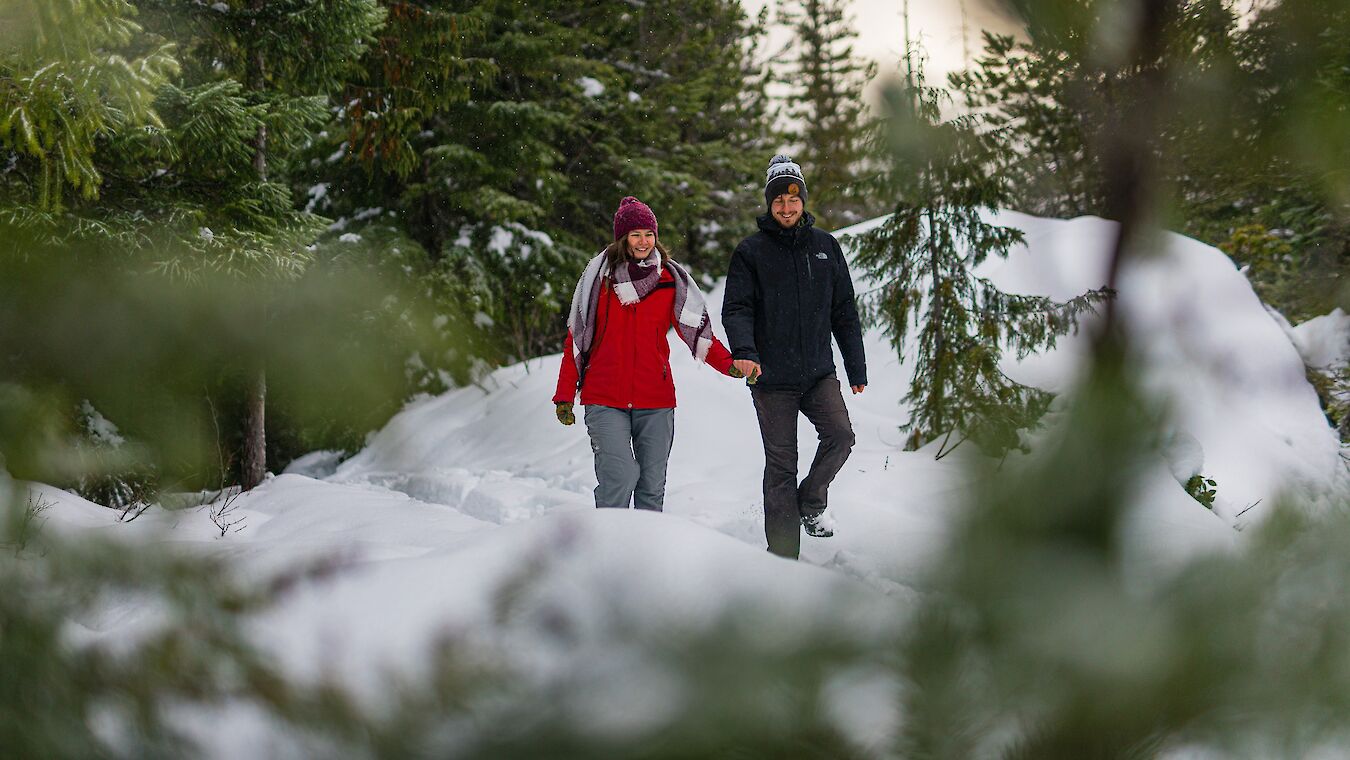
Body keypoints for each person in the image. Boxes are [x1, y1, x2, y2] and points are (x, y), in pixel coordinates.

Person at [555, 196, 742, 511]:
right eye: (635, 234)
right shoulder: (599, 279)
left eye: (649, 234)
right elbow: (577, 338)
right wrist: (564, 396)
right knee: (620, 477)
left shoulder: (670, 280)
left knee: (651, 489)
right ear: (623, 238)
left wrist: (729, 365)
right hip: (604, 396)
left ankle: (644, 556)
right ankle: (608, 552)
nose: (643, 241)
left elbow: (696, 330)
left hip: (655, 399)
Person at [721, 155, 867, 559]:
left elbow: (844, 310)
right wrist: (746, 353)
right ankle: (784, 558)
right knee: (782, 467)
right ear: (769, 204)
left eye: (793, 199)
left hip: (819, 373)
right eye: (779, 201)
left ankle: (812, 500)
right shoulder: (751, 252)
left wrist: (856, 366)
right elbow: (737, 308)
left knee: (841, 436)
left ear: (803, 201)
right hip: (772, 380)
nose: (786, 208)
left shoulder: (825, 247)